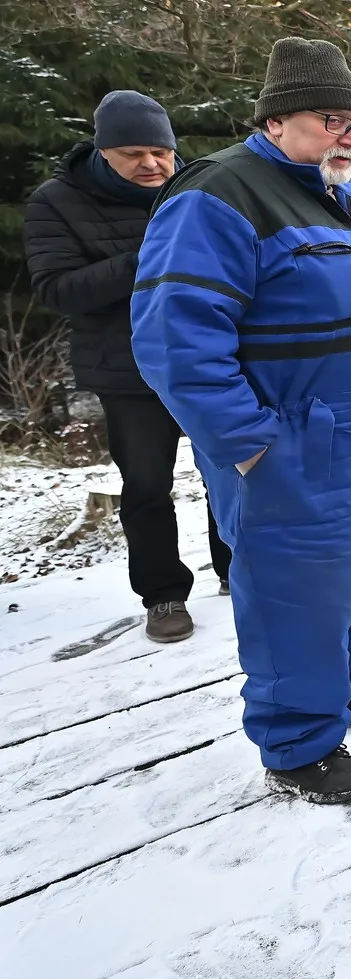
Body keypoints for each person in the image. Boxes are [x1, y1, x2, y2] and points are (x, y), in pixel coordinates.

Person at [131, 37, 351, 804]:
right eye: (334, 118)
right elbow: (176, 340)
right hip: (296, 447)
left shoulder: (341, 198)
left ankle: (350, 686)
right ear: (276, 120)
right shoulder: (222, 193)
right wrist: (248, 444)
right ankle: (297, 742)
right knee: (298, 591)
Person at [24, 90, 233, 644]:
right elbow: (59, 290)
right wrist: (149, 256)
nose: (152, 165)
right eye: (134, 153)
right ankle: (163, 594)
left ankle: (239, 570)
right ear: (103, 151)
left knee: (233, 467)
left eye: (161, 152)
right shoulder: (58, 201)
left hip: (211, 356)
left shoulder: (198, 186)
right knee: (145, 485)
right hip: (129, 368)